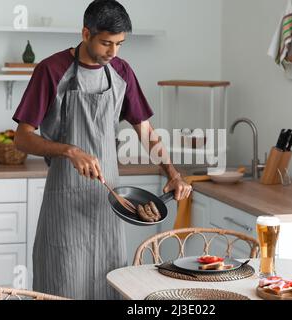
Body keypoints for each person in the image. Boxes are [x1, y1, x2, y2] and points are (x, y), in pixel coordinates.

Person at [12, 0, 192, 299]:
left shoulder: (121, 72)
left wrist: (172, 173)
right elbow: (22, 138)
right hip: (65, 203)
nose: (113, 52)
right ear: (86, 33)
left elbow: (146, 132)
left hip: (110, 201)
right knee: (62, 282)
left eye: (120, 44)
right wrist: (69, 150)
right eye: (106, 43)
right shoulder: (51, 70)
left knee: (108, 285)